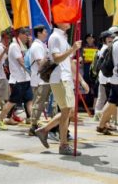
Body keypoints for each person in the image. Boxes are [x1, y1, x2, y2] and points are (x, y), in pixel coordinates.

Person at [34, 23, 82, 156]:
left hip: (65, 78)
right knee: (66, 111)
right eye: (66, 19)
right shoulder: (55, 37)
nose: (69, 21)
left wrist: (81, 80)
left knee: (70, 111)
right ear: (59, 22)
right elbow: (56, 59)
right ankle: (63, 145)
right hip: (59, 78)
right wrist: (72, 49)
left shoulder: (62, 37)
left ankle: (44, 130)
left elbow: (69, 61)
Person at [1, 28, 32, 128]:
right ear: (20, 34)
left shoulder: (21, 45)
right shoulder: (14, 45)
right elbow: (21, 62)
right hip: (17, 80)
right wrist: (32, 72)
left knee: (29, 100)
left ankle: (31, 120)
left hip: (26, 79)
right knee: (11, 102)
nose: (28, 37)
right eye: (26, 34)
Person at [28, 26, 50, 135]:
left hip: (43, 79)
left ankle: (34, 124)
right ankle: (33, 125)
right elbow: (40, 63)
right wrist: (51, 58)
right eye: (45, 31)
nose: (47, 33)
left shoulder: (41, 45)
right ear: (39, 33)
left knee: (41, 102)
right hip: (40, 79)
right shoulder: (37, 46)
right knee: (39, 102)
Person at [94, 29, 115, 126]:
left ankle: (99, 116)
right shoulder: (106, 48)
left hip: (102, 77)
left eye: (112, 37)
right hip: (106, 77)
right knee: (108, 99)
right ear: (104, 39)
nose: (111, 38)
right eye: (109, 37)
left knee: (102, 97)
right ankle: (104, 118)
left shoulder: (102, 48)